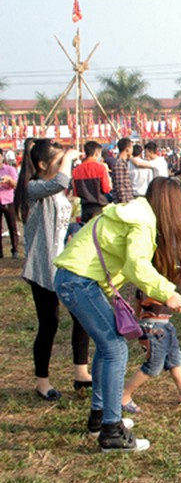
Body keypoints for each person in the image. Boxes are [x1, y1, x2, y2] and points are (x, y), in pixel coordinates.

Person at [54, 177, 181, 453]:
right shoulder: (142, 222)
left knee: (108, 348)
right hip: (79, 282)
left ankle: (100, 417)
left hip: (77, 281)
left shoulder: (137, 213)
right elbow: (136, 265)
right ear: (171, 206)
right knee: (115, 350)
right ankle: (111, 430)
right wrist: (166, 291)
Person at [13, 139, 92, 402]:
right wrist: (69, 157)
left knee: (81, 315)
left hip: (63, 263)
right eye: (59, 163)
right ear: (42, 164)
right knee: (49, 324)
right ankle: (42, 381)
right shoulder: (34, 187)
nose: (64, 168)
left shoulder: (53, 190)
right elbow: (59, 182)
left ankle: (81, 373)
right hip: (42, 267)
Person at [121, 253, 181, 414]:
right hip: (154, 327)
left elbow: (138, 306)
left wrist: (137, 322)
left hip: (164, 325)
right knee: (154, 365)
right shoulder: (154, 280)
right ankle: (123, 394)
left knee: (174, 359)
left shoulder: (151, 279)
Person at [71, 140, 111, 223]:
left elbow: (75, 192)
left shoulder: (76, 170)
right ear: (97, 153)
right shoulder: (101, 168)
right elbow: (106, 189)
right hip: (99, 207)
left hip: (85, 208)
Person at [0, 149, 19, 258]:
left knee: (12, 226)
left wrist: (8, 180)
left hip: (8, 200)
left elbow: (15, 185)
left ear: (2, 157)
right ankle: (0, 252)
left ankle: (15, 250)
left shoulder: (10, 170)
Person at [111, 138, 135, 204]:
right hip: (123, 201)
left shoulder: (124, 162)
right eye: (131, 147)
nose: (133, 149)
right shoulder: (119, 163)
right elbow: (120, 185)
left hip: (128, 199)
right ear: (127, 149)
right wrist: (124, 203)